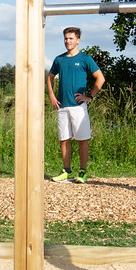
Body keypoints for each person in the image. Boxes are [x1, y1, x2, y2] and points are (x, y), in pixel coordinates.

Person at [47, 27, 105, 183]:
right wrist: (52, 95)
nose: (68, 41)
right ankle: (66, 171)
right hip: (62, 106)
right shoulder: (59, 59)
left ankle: (82, 172)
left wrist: (89, 96)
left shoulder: (85, 59)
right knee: (64, 139)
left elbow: (100, 78)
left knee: (82, 139)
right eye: (66, 38)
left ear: (78, 40)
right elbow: (50, 77)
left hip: (78, 107)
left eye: (71, 38)